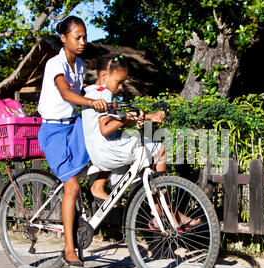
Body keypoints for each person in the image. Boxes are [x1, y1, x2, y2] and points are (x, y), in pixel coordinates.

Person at [82, 54, 200, 231]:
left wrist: (148, 117)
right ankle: (165, 209)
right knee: (159, 149)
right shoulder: (104, 94)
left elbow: (116, 120)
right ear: (105, 76)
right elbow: (105, 128)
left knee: (146, 146)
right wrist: (127, 119)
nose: (121, 87)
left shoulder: (94, 92)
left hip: (103, 147)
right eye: (119, 81)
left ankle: (163, 209)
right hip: (107, 148)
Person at [37, 16, 107, 268]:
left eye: (85, 37)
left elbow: (86, 92)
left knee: (105, 139)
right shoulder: (54, 64)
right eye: (77, 37)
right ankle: (68, 249)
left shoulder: (79, 65)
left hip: (72, 126)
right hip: (53, 132)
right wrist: (90, 102)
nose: (82, 42)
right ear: (64, 38)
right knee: (72, 187)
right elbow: (67, 93)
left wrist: (104, 93)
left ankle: (97, 185)